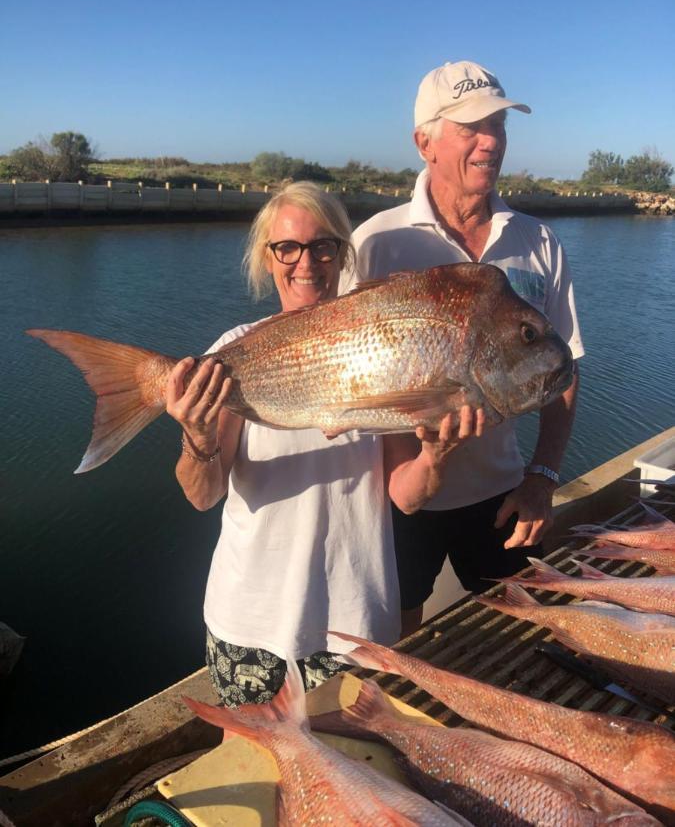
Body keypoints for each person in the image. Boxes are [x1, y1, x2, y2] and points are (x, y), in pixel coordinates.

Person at [165, 181, 481, 706]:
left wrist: (437, 455)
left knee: (359, 767)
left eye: (322, 245)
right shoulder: (231, 351)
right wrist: (197, 437)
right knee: (259, 773)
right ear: (268, 260)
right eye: (286, 247)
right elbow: (202, 494)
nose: (305, 262)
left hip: (356, 627)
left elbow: (405, 495)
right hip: (251, 624)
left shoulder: (389, 346)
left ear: (342, 254)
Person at [344, 60, 584, 635]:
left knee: (520, 635)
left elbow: (565, 368)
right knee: (401, 647)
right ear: (424, 141)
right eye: (471, 127)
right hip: (396, 500)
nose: (490, 142)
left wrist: (543, 477)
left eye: (499, 126)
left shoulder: (537, 241)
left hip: (502, 493)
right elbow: (341, 374)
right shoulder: (376, 242)